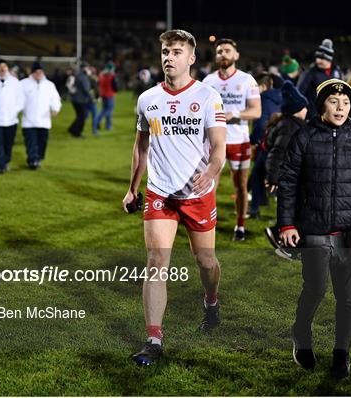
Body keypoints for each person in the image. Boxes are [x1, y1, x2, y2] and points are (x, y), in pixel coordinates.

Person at [122, 29, 226, 366]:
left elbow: (219, 149)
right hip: (160, 193)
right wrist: (132, 187)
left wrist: (209, 175)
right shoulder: (147, 99)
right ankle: (153, 338)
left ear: (191, 58)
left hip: (198, 195)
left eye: (177, 51)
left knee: (205, 262)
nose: (169, 57)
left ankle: (211, 300)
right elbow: (141, 145)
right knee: (155, 263)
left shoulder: (209, 97)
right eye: (166, 51)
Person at [277, 79, 351, 379]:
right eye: (334, 102)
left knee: (347, 298)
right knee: (316, 290)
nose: (340, 108)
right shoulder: (304, 137)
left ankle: (341, 354)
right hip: (312, 229)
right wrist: (286, 224)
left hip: (347, 233)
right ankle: (301, 336)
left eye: (346, 102)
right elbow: (288, 184)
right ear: (321, 104)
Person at [203, 38, 261, 241]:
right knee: (209, 184)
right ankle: (206, 222)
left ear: (236, 56)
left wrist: (233, 114)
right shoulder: (208, 81)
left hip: (239, 141)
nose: (223, 54)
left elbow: (256, 111)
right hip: (213, 141)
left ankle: (240, 226)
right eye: (219, 51)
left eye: (227, 50)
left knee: (240, 186)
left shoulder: (247, 80)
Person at [263, 81, 308, 255]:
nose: (307, 110)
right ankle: (283, 240)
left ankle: (283, 237)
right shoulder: (290, 127)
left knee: (296, 211)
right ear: (297, 109)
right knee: (294, 211)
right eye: (304, 107)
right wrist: (273, 177)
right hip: (287, 179)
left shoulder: (293, 125)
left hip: (291, 178)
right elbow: (277, 153)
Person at [248, 72, 282, 219]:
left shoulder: (262, 99)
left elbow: (261, 124)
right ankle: (262, 199)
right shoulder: (282, 97)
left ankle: (254, 209)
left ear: (262, 86)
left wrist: (253, 140)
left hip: (266, 143)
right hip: (281, 143)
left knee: (257, 174)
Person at [20, 61, 62, 169]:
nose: (39, 74)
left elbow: (55, 99)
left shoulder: (49, 85)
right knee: (31, 142)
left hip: (44, 121)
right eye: (36, 72)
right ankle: (33, 160)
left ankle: (38, 158)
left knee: (42, 143)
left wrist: (55, 109)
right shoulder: (23, 84)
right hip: (28, 120)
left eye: (40, 72)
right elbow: (16, 100)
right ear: (32, 72)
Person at [297, 39, 342, 118]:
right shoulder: (309, 72)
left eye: (321, 58)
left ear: (329, 59)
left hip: (332, 112)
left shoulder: (337, 71)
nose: (318, 61)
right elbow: (300, 92)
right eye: (317, 57)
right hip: (313, 114)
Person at [67, 63, 91, 138]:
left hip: (75, 99)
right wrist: (91, 98)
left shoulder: (77, 75)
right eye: (87, 68)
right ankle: (77, 133)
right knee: (82, 117)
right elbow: (86, 89)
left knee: (79, 116)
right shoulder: (83, 77)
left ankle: (72, 128)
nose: (88, 70)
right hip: (81, 100)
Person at [94, 62, 118, 132]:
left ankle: (97, 122)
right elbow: (115, 86)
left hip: (103, 94)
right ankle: (108, 126)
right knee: (109, 111)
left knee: (103, 110)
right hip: (109, 94)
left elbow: (99, 84)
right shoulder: (112, 75)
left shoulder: (101, 75)